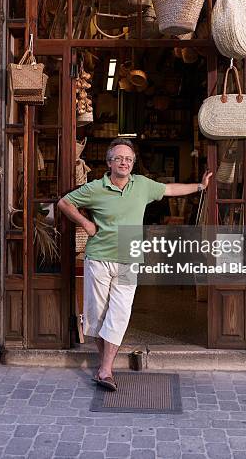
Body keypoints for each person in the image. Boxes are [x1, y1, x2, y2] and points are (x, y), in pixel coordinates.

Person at [58, 137, 212, 391]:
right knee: (97, 315)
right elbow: (65, 203)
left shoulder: (142, 185)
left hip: (129, 257)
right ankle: (104, 365)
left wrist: (200, 186)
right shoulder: (96, 188)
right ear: (109, 162)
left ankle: (106, 369)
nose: (124, 162)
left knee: (119, 313)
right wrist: (85, 223)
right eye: (119, 158)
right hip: (99, 257)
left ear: (133, 163)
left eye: (128, 159)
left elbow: (170, 190)